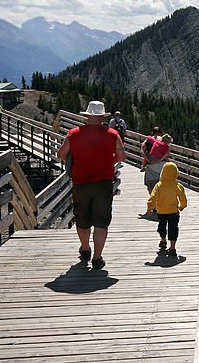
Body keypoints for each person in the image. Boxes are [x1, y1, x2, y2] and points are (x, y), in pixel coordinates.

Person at [57, 100, 125, 271]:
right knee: (101, 222)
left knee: (82, 218)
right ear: (102, 116)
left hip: (81, 182)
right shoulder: (112, 134)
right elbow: (122, 156)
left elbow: (60, 154)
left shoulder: (73, 134)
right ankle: (97, 257)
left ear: (87, 116)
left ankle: (85, 248)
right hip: (104, 183)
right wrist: (109, 161)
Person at [142, 161, 187, 258]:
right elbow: (182, 198)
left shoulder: (159, 185)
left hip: (161, 211)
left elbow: (153, 197)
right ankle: (172, 248)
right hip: (174, 211)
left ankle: (163, 240)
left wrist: (150, 207)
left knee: (161, 225)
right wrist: (182, 206)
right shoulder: (178, 186)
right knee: (173, 228)